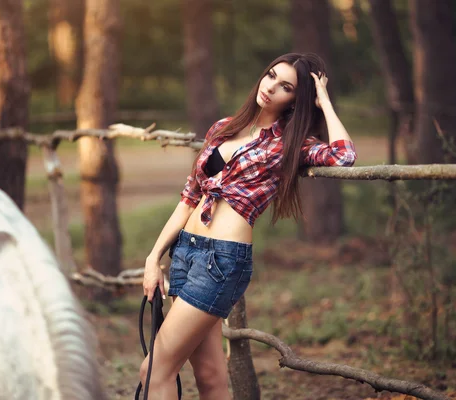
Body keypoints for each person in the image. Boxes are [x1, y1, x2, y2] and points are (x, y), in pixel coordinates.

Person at [140, 52, 357, 399]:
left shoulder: (289, 143)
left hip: (221, 262)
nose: (271, 87)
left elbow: (344, 156)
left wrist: (324, 102)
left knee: (154, 370)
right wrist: (154, 257)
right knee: (209, 374)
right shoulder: (222, 128)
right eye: (271, 75)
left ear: (296, 100)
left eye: (285, 86)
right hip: (186, 254)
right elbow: (188, 198)